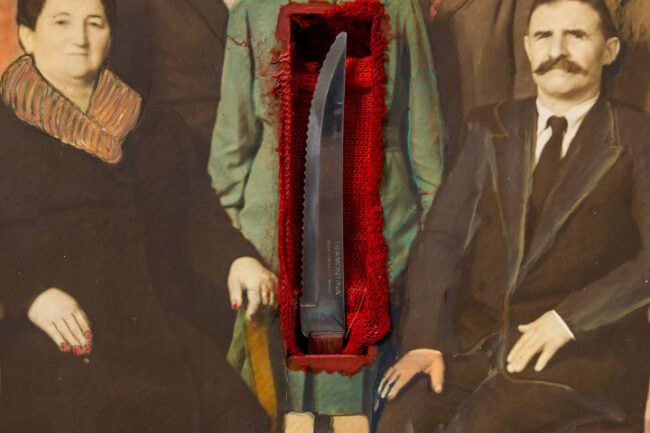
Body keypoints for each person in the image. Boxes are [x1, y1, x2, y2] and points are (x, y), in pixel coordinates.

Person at [0, 0, 275, 431]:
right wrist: (30, 296)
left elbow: (196, 217)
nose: (80, 38)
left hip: (153, 331)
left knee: (242, 422)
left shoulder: (153, 124)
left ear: (111, 37)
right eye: (61, 22)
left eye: (95, 23)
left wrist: (236, 259)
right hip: (50, 341)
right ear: (28, 35)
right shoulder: (6, 130)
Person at [376, 0, 650, 431]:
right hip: (476, 348)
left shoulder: (638, 136)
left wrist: (570, 320)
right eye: (544, 36)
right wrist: (426, 341)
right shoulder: (489, 126)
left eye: (576, 36)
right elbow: (442, 239)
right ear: (527, 47)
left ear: (610, 50)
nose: (556, 50)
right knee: (400, 419)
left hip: (579, 359)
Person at [209, 1, 444, 432]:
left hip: (375, 247)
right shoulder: (253, 13)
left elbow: (426, 140)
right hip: (275, 255)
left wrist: (429, 246)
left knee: (356, 409)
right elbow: (230, 151)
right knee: (280, 410)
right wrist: (235, 249)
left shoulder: (399, 9)